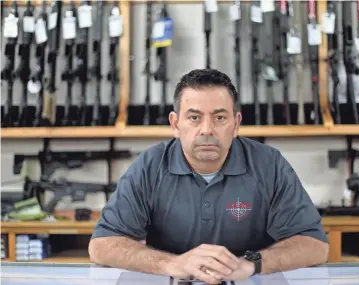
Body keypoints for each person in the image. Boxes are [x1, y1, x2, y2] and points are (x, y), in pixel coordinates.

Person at [88, 69, 329, 284]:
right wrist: (173, 264)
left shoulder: (269, 165)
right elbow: (102, 245)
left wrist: (251, 264)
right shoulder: (149, 166)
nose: (206, 129)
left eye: (220, 118)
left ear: (235, 125)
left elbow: (315, 245)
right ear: (175, 124)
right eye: (194, 117)